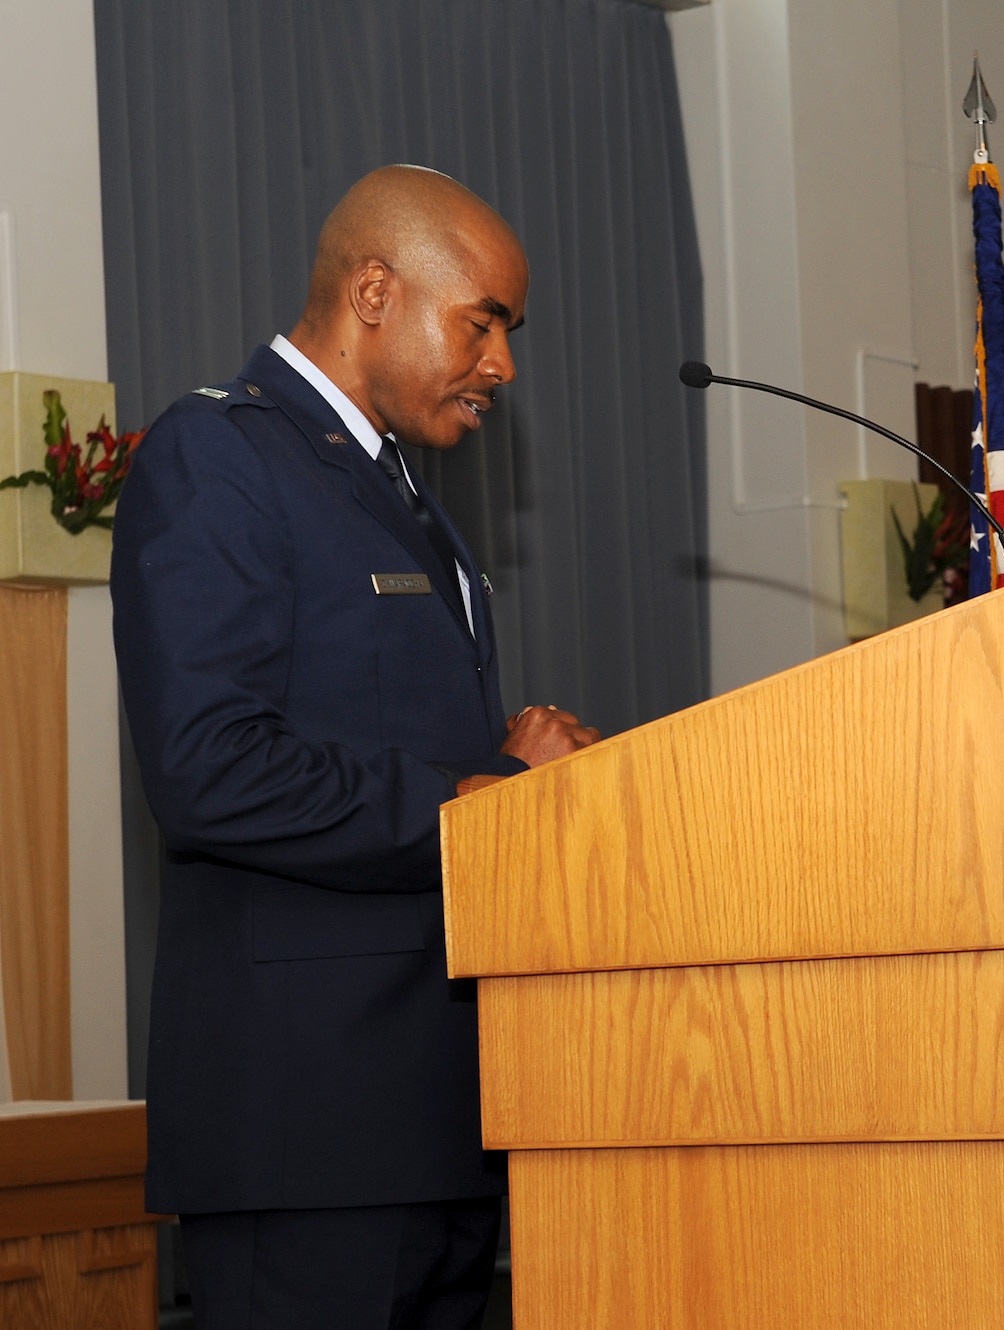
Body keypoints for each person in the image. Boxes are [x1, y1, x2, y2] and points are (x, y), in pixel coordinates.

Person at [111, 165, 598, 1329]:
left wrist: (511, 753)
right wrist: (488, 800)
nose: (503, 366)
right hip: (308, 1129)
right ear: (374, 288)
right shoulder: (219, 456)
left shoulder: (403, 493)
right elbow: (211, 769)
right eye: (482, 322)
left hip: (438, 1119)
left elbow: (365, 732)